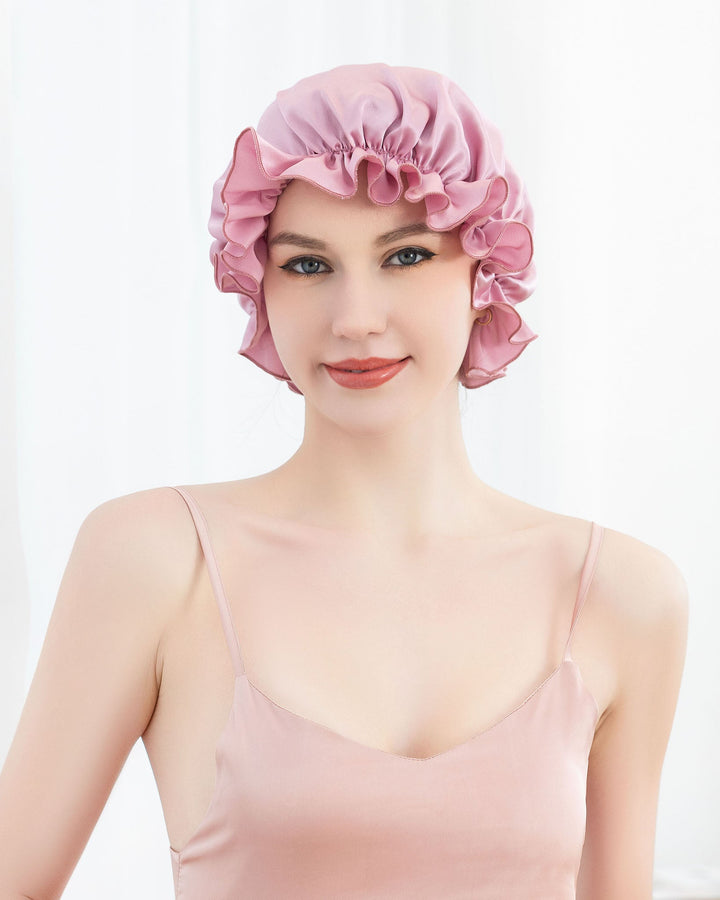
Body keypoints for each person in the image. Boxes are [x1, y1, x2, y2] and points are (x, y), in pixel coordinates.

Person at [0, 63, 688, 899]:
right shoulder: (156, 560)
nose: (356, 316)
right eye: (307, 266)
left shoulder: (622, 594)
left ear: (485, 274)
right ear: (259, 283)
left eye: (405, 255)